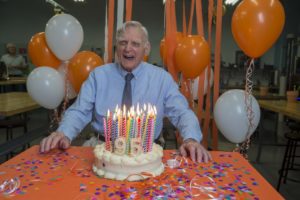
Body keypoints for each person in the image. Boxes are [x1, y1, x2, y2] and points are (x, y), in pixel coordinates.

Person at [40, 21, 212, 163]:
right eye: (123, 42)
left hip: (146, 153)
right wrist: (64, 132)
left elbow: (182, 113)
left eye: (135, 44)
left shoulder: (162, 79)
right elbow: (79, 110)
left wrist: (191, 139)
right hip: (102, 150)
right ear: (117, 46)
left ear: (147, 48)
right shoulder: (98, 76)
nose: (128, 49)